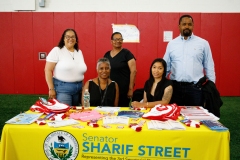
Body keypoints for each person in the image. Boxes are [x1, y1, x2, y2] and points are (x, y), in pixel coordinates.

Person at [163, 14, 216, 106]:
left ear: (193, 26)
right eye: (184, 24)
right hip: (175, 88)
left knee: (196, 118)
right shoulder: (172, 44)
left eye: (189, 24)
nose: (187, 26)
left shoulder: (203, 43)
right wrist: (161, 84)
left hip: (195, 89)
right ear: (179, 26)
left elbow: (209, 65)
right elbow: (166, 66)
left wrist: (211, 86)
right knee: (175, 117)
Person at [44, 28, 87, 106]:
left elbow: (80, 72)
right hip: (63, 89)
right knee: (65, 113)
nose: (70, 39)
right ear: (63, 39)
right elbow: (48, 70)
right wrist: (51, 88)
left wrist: (83, 88)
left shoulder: (79, 52)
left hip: (79, 89)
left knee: (75, 113)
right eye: (67, 37)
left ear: (76, 39)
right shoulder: (57, 50)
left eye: (73, 37)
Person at [104, 32, 137, 107]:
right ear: (111, 41)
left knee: (122, 111)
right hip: (110, 88)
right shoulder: (107, 55)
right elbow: (103, 70)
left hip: (123, 89)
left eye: (120, 39)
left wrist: (130, 89)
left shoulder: (127, 54)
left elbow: (133, 71)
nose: (118, 41)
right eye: (115, 39)